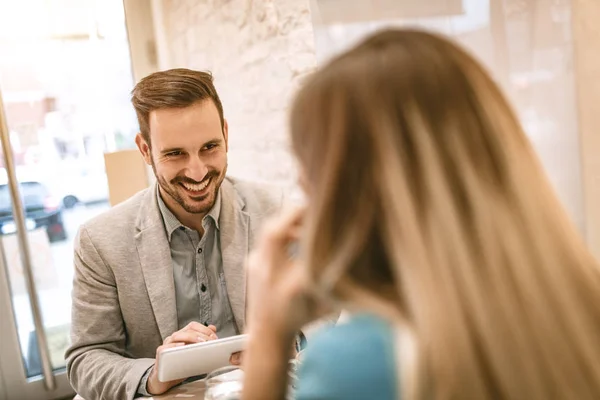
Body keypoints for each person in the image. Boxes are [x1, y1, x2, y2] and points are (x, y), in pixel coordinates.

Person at [241, 29, 600, 400]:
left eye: (311, 185)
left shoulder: (356, 364)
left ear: (349, 198)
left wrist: (267, 336)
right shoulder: (580, 307)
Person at [65, 68, 285, 400]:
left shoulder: (273, 211)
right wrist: (154, 375)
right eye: (175, 153)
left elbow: (317, 317)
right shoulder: (100, 241)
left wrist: (284, 347)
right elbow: (85, 359)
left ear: (226, 134)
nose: (197, 172)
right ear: (145, 150)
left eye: (210, 147)